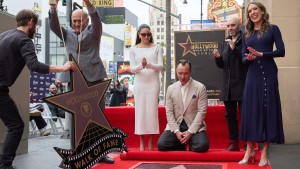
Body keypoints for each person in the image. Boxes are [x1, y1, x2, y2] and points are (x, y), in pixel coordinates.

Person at [0, 9, 75, 169]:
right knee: (16, 126)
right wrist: (62, 68)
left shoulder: (4, 36)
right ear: (31, 22)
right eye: (37, 24)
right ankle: (5, 165)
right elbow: (34, 65)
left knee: (14, 125)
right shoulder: (25, 40)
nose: (36, 29)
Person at [49, 0, 113, 164]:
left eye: (80, 20)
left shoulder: (94, 32)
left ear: (86, 21)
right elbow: (54, 25)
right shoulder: (66, 33)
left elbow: (97, 20)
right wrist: (53, 8)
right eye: (74, 21)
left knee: (97, 117)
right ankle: (76, 153)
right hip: (74, 80)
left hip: (94, 78)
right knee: (77, 118)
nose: (77, 23)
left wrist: (88, 4)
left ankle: (100, 153)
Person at [238, 2, 285, 167]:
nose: (252, 13)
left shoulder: (273, 29)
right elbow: (243, 58)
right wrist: (249, 58)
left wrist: (262, 54)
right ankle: (249, 149)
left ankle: (264, 150)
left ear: (262, 11)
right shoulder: (246, 33)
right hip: (252, 75)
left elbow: (281, 51)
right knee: (251, 110)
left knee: (267, 109)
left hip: (269, 74)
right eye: (249, 11)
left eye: (255, 9)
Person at [157, 59, 209, 152]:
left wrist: (190, 132)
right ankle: (180, 143)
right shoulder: (171, 88)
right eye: (180, 73)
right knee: (162, 145)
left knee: (203, 146)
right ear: (176, 71)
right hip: (176, 124)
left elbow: (202, 112)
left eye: (186, 73)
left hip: (193, 125)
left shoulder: (200, 88)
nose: (183, 76)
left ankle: (191, 142)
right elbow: (169, 112)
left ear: (190, 72)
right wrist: (176, 131)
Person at [212, 17, 247, 151]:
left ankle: (247, 142)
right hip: (228, 87)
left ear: (239, 25)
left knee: (245, 115)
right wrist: (218, 58)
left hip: (242, 85)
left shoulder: (245, 40)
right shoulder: (224, 42)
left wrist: (234, 49)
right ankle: (234, 142)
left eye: (233, 25)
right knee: (230, 116)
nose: (230, 27)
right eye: (228, 25)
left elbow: (246, 60)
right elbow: (222, 65)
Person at [129, 24, 163, 151]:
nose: (146, 37)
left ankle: (151, 142)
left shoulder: (157, 47)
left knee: (152, 112)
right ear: (138, 35)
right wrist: (141, 66)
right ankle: (141, 142)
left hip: (153, 82)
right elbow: (132, 69)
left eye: (148, 34)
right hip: (140, 83)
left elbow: (160, 66)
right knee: (140, 112)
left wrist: (148, 65)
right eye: (143, 34)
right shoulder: (133, 49)